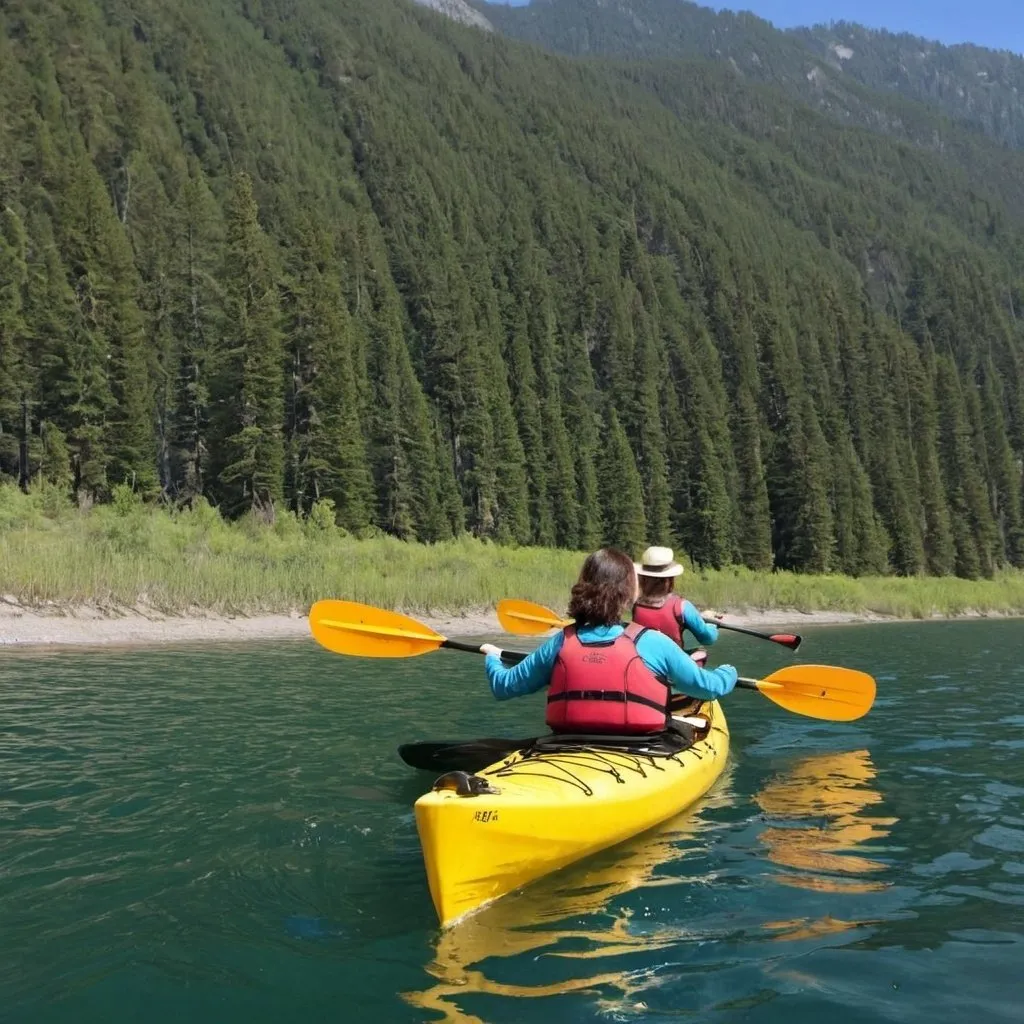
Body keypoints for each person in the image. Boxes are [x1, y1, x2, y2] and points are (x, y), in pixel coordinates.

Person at [481, 547, 737, 735]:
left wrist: (492, 656)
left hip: (569, 743)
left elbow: (503, 686)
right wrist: (729, 672)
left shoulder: (560, 642)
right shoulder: (652, 643)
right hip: (641, 747)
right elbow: (708, 688)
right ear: (628, 596)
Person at [632, 545, 720, 650]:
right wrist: (713, 627)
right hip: (670, 665)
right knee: (700, 651)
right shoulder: (681, 607)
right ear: (669, 579)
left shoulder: (635, 603)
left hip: (639, 661)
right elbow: (707, 638)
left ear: (642, 578)